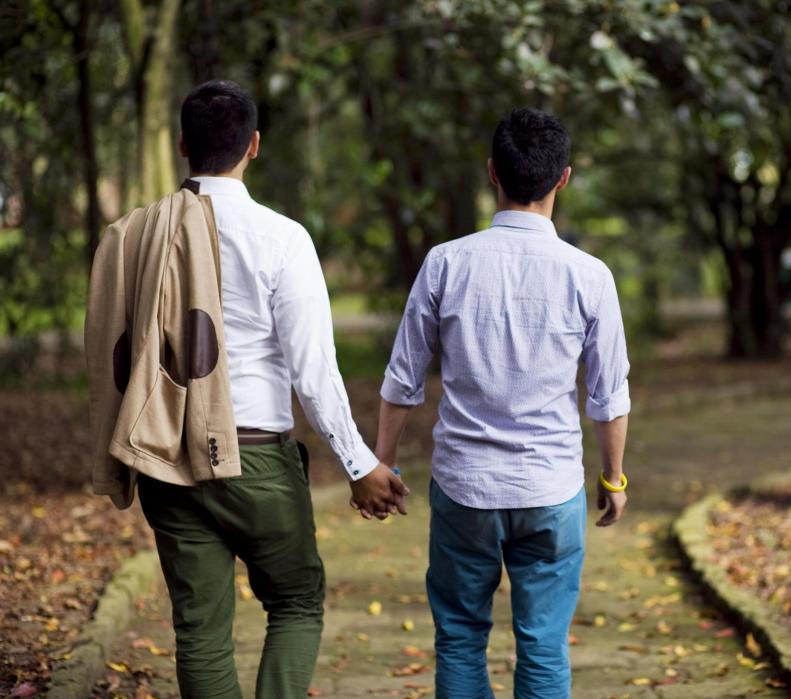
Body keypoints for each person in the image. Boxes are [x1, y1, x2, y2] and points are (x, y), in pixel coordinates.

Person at [120, 80, 408, 698]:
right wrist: (359, 465)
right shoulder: (281, 238)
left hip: (165, 456)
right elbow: (313, 370)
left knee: (200, 632)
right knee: (297, 601)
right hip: (256, 461)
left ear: (181, 144)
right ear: (254, 144)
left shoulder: (139, 235)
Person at [375, 107, 631, 698]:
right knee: (543, 644)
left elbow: (402, 378)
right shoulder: (589, 275)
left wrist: (383, 463)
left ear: (493, 171)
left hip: (464, 487)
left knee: (460, 638)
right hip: (551, 489)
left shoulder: (446, 263)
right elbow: (608, 395)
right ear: (563, 178)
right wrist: (613, 479)